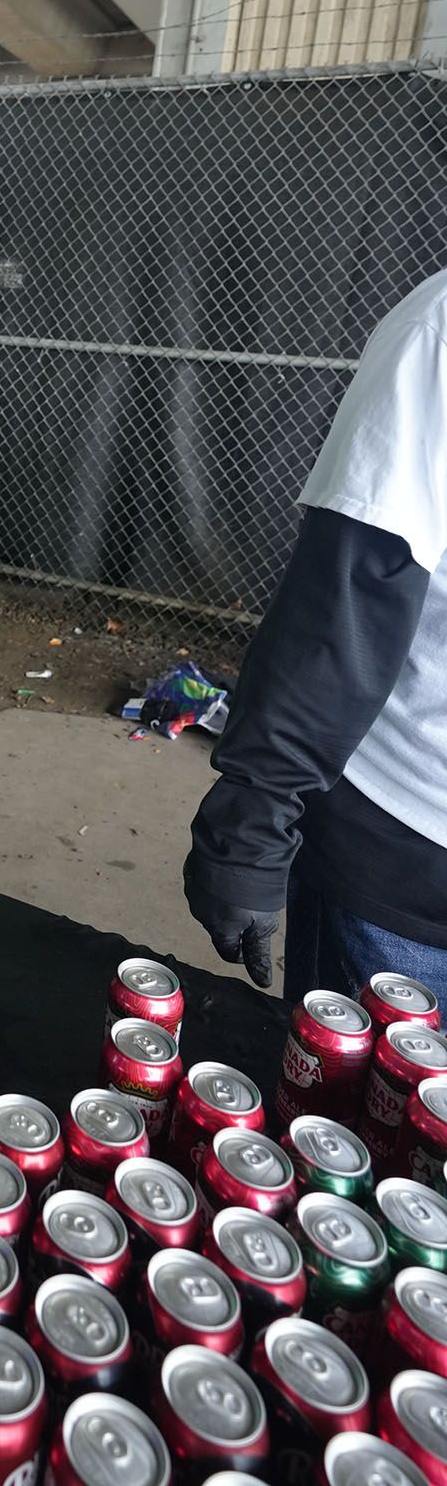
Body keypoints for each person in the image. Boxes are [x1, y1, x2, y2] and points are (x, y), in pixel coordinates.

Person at [185, 264, 447, 999]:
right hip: (412, 845)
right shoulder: (441, 329)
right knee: (363, 1106)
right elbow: (350, 603)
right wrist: (253, 828)